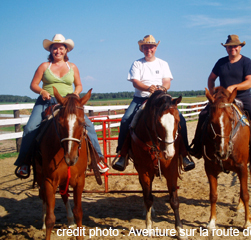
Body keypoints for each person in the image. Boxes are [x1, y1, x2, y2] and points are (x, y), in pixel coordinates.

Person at [15, 34, 109, 178]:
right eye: (54, 48)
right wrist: (42, 91)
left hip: (67, 102)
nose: (57, 51)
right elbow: (33, 85)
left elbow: (78, 85)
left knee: (88, 126)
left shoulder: (72, 67)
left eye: (61, 48)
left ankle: (97, 159)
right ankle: (24, 163)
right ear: (50, 50)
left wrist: (77, 93)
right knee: (30, 128)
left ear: (66, 50)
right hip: (47, 101)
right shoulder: (44, 66)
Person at [112, 35, 195, 172]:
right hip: (141, 98)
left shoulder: (163, 64)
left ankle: (184, 154)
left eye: (151, 46)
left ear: (155, 48)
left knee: (181, 121)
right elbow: (135, 82)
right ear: (142, 48)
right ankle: (123, 154)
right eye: (145, 47)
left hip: (161, 99)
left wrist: (162, 88)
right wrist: (147, 88)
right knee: (126, 120)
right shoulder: (137, 64)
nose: (148, 49)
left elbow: (167, 81)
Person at [189, 34, 251, 163]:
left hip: (243, 96)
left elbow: (249, 82)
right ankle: (197, 146)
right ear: (226, 49)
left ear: (240, 47)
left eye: (235, 46)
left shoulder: (247, 62)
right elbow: (211, 78)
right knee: (204, 114)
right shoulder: (221, 62)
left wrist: (234, 87)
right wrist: (212, 93)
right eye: (229, 47)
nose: (232, 48)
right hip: (223, 99)